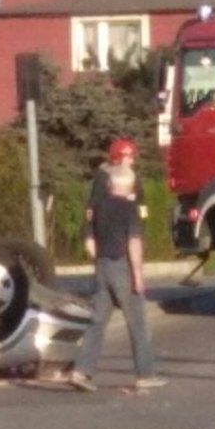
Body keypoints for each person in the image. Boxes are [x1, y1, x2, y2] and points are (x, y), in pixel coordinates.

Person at [69, 138, 167, 392]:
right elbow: (134, 244)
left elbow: (88, 236)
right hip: (122, 266)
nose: (133, 162)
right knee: (137, 321)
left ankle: (81, 371)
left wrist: (98, 256)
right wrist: (138, 277)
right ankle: (145, 374)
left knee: (98, 321)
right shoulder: (129, 209)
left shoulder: (98, 205)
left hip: (102, 266)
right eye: (130, 158)